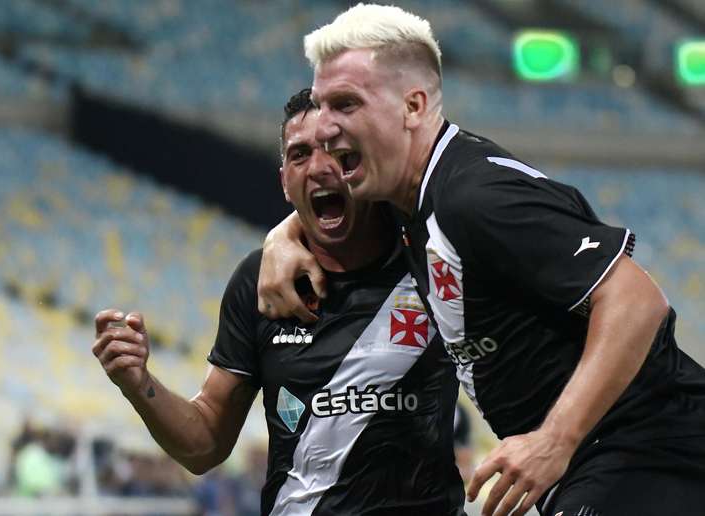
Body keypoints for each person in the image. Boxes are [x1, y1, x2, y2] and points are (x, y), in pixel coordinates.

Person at [256, 4, 705, 516]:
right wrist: (283, 236)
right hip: (609, 457)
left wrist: (553, 441)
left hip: (647, 449)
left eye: (345, 104)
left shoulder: (472, 196)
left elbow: (635, 300)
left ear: (413, 106)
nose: (326, 126)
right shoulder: (414, 196)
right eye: (319, 104)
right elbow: (330, 213)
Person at [93, 88, 466, 515]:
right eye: (300, 154)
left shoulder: (431, 259)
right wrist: (138, 385)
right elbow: (206, 444)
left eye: (335, 150)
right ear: (285, 182)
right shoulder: (257, 283)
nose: (319, 167)